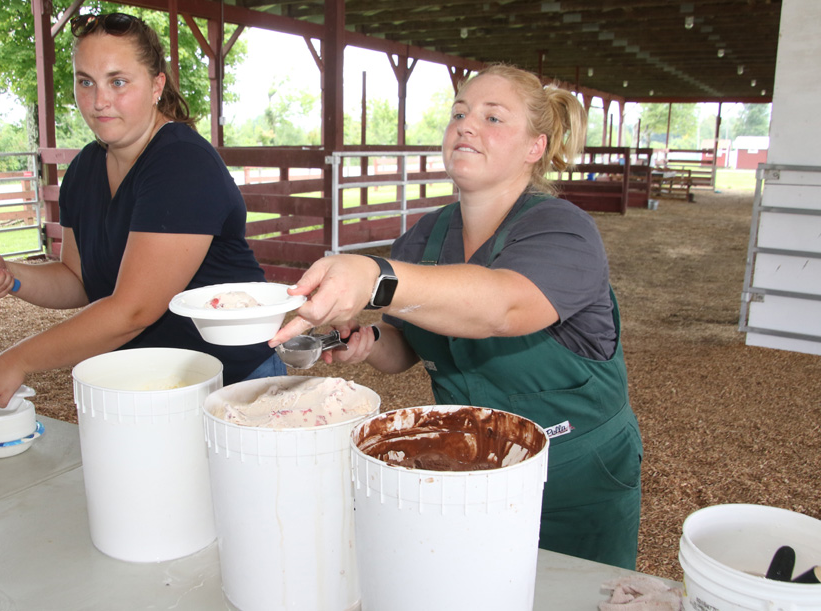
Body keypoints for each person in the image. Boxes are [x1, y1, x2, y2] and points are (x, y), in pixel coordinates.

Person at [269, 64, 643, 570]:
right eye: (459, 113)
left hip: (574, 476)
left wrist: (376, 276)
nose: (466, 125)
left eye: (493, 117)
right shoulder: (425, 236)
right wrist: (372, 339)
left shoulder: (565, 232)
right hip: (468, 466)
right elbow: (408, 345)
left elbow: (501, 308)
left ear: (535, 146)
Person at [0, 12, 282, 410]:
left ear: (156, 85)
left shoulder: (181, 163)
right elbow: (78, 279)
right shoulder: (83, 170)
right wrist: (13, 277)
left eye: (118, 82)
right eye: (86, 82)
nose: (100, 101)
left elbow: (134, 309)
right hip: (150, 385)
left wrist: (20, 358)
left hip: (233, 386)